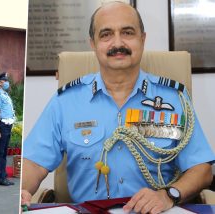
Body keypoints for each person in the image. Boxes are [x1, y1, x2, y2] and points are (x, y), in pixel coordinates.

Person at [21, 2, 215, 213]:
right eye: (106, 34)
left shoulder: (175, 99)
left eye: (127, 32)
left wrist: (169, 194)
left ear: (143, 39)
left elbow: (202, 169)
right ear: (93, 44)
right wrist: (21, 190)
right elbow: (35, 163)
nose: (118, 43)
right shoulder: (66, 102)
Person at [0, 72, 16, 186]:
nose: (7, 83)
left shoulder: (5, 95)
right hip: (2, 125)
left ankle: (3, 176)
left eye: (6, 80)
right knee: (0, 152)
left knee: (4, 152)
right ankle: (0, 178)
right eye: (4, 81)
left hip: (7, 125)